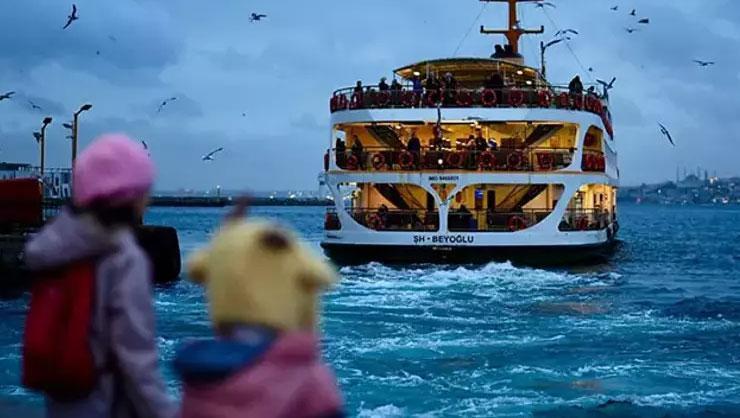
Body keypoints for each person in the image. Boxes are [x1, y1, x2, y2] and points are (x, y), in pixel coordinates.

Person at [24, 134, 176, 418]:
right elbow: (136, 358)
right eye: (145, 189)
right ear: (129, 195)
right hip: (108, 403)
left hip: (62, 402)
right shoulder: (123, 258)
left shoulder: (52, 248)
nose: (149, 198)